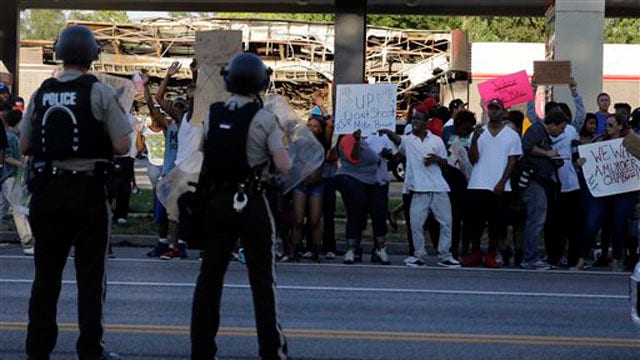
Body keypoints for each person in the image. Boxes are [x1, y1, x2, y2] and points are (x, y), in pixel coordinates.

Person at [20, 25, 132, 360]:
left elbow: (26, 144)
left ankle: (37, 349)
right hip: (87, 194)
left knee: (45, 278)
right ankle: (90, 350)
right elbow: (123, 145)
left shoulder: (42, 92)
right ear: (92, 56)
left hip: (47, 192)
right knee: (90, 277)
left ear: (60, 54)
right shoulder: (98, 91)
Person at [191, 52, 290, 359]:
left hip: (217, 203)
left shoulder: (213, 113)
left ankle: (202, 351)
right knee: (262, 282)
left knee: (209, 279)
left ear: (229, 80)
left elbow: (202, 153)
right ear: (262, 81)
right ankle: (271, 351)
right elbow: (284, 165)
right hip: (252, 201)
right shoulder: (265, 117)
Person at [382, 112, 460, 268]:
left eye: (418, 119)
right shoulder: (409, 140)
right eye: (413, 119)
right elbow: (397, 139)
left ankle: (445, 255)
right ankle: (419, 255)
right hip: (418, 189)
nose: (415, 121)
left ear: (426, 123)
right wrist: (388, 132)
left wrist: (435, 159)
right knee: (416, 225)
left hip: (438, 188)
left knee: (446, 223)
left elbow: (446, 163)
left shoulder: (436, 140)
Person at [461, 99, 522, 268]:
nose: (493, 112)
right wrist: (474, 140)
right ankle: (475, 252)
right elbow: (473, 159)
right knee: (475, 222)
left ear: (503, 112)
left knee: (497, 222)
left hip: (499, 185)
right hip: (478, 183)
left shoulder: (511, 135)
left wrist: (502, 181)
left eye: (497, 109)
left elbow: (512, 160)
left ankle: (491, 253)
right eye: (491, 109)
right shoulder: (479, 132)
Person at [574, 114, 637, 272]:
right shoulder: (598, 141)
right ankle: (581, 259)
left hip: (624, 189)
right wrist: (581, 162)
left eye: (610, 125)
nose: (607, 128)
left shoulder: (632, 140)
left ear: (620, 126)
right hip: (601, 189)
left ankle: (616, 259)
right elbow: (585, 159)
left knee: (619, 222)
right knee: (592, 222)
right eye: (606, 125)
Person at [519, 109, 569, 270]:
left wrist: (554, 159)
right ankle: (530, 258)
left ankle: (531, 256)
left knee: (538, 219)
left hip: (542, 182)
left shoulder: (545, 136)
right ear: (552, 124)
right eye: (561, 127)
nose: (562, 131)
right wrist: (547, 153)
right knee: (536, 219)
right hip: (534, 182)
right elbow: (526, 146)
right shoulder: (536, 130)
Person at [290, 116, 327, 262]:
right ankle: (295, 250)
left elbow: (330, 124)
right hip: (301, 184)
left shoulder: (324, 143)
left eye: (316, 126)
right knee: (298, 220)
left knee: (315, 219)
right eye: (309, 125)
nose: (312, 128)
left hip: (316, 186)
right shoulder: (299, 143)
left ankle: (316, 251)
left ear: (321, 129)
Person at [0, 110, 34, 255]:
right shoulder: (11, 137)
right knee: (18, 209)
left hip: (5, 176)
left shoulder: (12, 136)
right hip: (10, 176)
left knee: (1, 208)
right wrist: (22, 164)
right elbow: (6, 157)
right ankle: (27, 242)